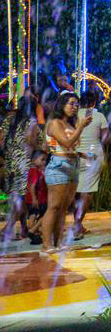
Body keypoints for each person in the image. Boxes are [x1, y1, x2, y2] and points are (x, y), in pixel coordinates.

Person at [43, 91, 90, 252]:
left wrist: (84, 154)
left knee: (64, 208)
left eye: (77, 104)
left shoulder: (71, 125)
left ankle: (58, 242)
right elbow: (67, 143)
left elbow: (73, 147)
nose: (74, 107)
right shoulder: (55, 123)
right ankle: (46, 244)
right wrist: (81, 127)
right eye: (71, 103)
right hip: (59, 164)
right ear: (62, 104)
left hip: (73, 164)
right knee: (54, 206)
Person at [71, 89, 109, 238]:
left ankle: (77, 224)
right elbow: (106, 138)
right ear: (94, 102)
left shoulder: (73, 116)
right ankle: (77, 223)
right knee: (87, 191)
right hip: (93, 156)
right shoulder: (98, 116)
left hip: (74, 154)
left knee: (76, 191)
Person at [3, 96, 41, 243]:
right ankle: (7, 229)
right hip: (24, 164)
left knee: (17, 198)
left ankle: (24, 228)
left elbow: (1, 139)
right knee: (21, 200)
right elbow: (31, 143)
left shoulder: (9, 120)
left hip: (10, 163)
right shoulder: (30, 122)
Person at [24, 150, 49, 244]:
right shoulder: (35, 172)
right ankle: (32, 231)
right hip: (37, 199)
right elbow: (32, 186)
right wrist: (35, 198)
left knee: (32, 216)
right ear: (34, 160)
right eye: (42, 160)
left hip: (30, 199)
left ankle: (33, 234)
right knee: (46, 214)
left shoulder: (32, 170)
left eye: (45, 160)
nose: (44, 162)